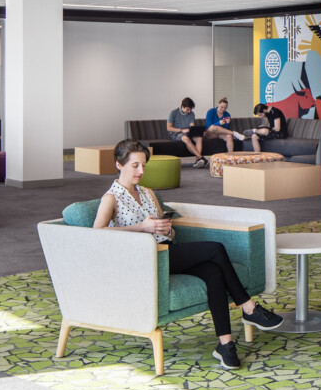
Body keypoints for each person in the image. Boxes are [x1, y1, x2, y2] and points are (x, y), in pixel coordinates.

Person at [93, 139, 281, 369]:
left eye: (143, 165)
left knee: (213, 272)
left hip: (167, 252)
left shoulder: (148, 193)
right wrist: (142, 227)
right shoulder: (111, 198)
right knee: (215, 249)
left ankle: (226, 344)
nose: (141, 171)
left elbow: (166, 228)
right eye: (135, 166)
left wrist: (167, 229)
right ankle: (248, 307)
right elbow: (97, 234)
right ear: (119, 165)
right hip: (146, 259)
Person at [167, 97, 207, 167]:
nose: (189, 111)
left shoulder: (192, 114)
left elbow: (191, 126)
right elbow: (169, 128)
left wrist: (196, 131)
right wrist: (182, 130)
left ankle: (197, 161)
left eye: (191, 109)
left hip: (187, 132)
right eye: (188, 109)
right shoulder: (173, 113)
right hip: (176, 133)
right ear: (182, 106)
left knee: (199, 138)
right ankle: (201, 157)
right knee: (186, 138)